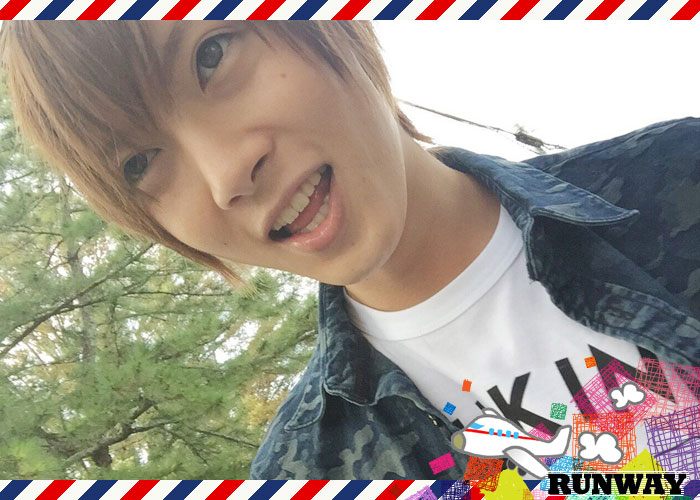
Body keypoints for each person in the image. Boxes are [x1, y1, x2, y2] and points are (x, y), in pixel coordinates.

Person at [1, 21, 698, 480]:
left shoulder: (679, 180)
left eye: (211, 55)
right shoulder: (305, 468)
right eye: (140, 162)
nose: (225, 174)